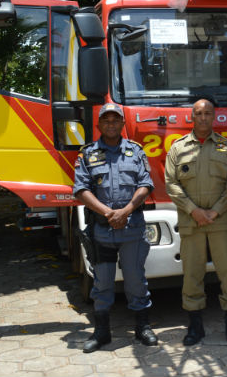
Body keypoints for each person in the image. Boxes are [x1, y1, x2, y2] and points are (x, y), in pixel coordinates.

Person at [72, 102, 158, 353]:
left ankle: (143, 328)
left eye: (115, 120)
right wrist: (108, 212)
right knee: (102, 283)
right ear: (98, 125)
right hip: (102, 231)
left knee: (135, 281)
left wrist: (126, 210)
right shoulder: (87, 153)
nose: (111, 124)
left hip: (132, 229)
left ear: (122, 123)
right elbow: (81, 189)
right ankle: (102, 333)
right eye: (106, 120)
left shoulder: (135, 151)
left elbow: (146, 184)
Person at [165, 97, 227, 345]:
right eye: (198, 113)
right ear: (192, 116)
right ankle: (195, 327)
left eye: (208, 113)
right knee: (192, 276)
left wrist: (215, 211)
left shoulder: (226, 148)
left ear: (214, 116)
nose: (203, 118)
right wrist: (194, 210)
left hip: (221, 223)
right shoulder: (178, 148)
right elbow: (171, 184)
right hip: (192, 223)